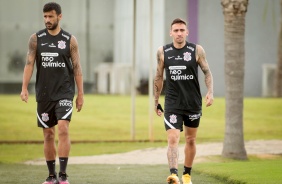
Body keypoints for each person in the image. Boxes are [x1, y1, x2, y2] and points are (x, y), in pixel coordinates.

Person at [20, 2, 84, 184]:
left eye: (51, 16)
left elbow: (77, 67)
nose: (47, 20)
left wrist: (80, 94)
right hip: (44, 94)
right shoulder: (36, 39)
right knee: (48, 133)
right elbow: (29, 64)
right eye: (45, 17)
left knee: (63, 128)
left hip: (64, 92)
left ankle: (63, 176)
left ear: (59, 17)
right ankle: (51, 176)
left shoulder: (70, 40)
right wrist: (24, 88)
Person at [154, 18, 214, 184]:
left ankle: (186, 175)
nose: (179, 33)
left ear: (187, 32)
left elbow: (207, 72)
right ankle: (173, 174)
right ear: (171, 32)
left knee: (190, 139)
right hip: (173, 103)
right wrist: (156, 100)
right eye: (176, 30)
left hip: (193, 102)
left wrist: (210, 92)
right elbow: (158, 77)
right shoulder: (163, 51)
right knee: (173, 138)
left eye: (182, 30)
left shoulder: (196, 50)